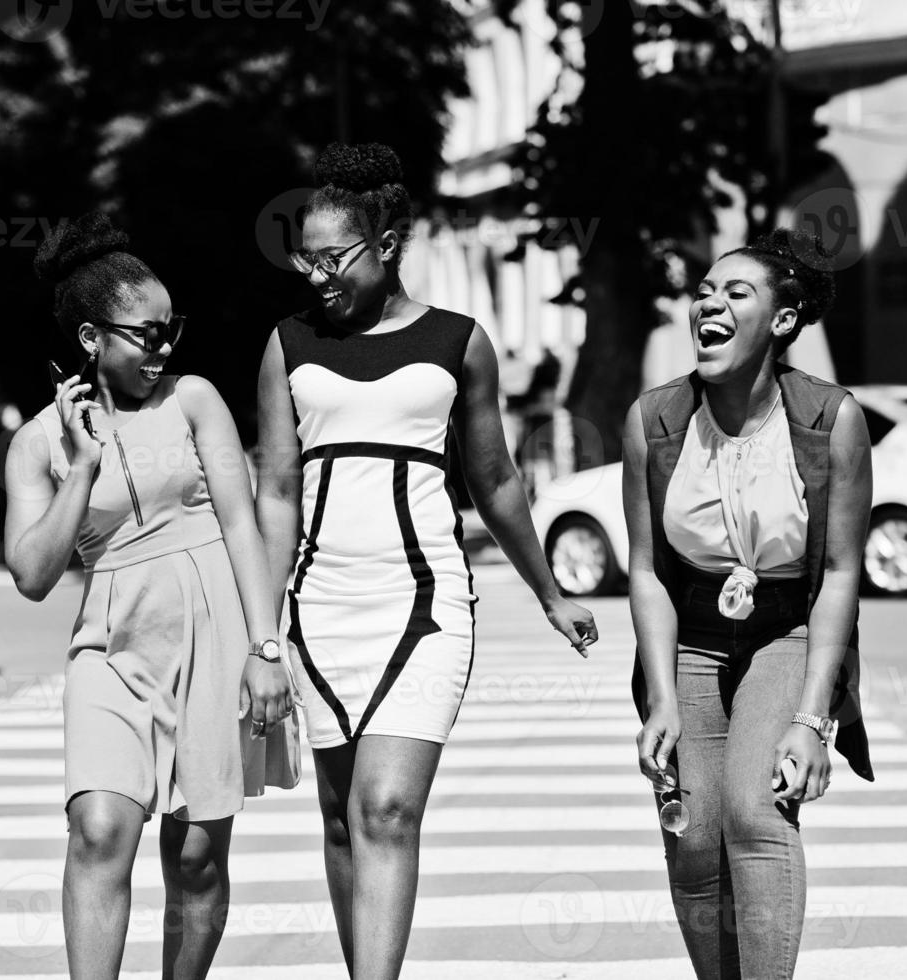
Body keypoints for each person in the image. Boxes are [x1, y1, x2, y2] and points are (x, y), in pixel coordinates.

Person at [253, 142, 599, 980]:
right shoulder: (286, 344)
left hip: (424, 604)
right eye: (306, 258)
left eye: (334, 256)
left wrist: (548, 593)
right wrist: (262, 635)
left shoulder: (459, 342)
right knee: (341, 821)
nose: (316, 275)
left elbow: (494, 479)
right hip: (316, 609)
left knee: (388, 807)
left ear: (388, 242)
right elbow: (274, 494)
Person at [3, 212, 298, 980]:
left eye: (171, 329)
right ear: (90, 339)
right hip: (110, 650)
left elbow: (241, 524)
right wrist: (81, 467)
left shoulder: (194, 399)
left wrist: (267, 648)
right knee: (98, 831)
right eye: (146, 333)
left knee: (196, 857)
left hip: (214, 636)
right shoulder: (38, 444)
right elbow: (32, 575)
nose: (165, 348)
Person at [623, 228, 875, 979]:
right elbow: (644, 571)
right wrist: (660, 700)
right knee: (693, 832)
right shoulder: (655, 419)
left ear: (783, 320)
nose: (710, 301)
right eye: (704, 290)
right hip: (690, 637)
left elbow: (837, 575)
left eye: (736, 292)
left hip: (785, 631)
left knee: (753, 810)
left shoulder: (831, 420)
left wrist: (810, 719)